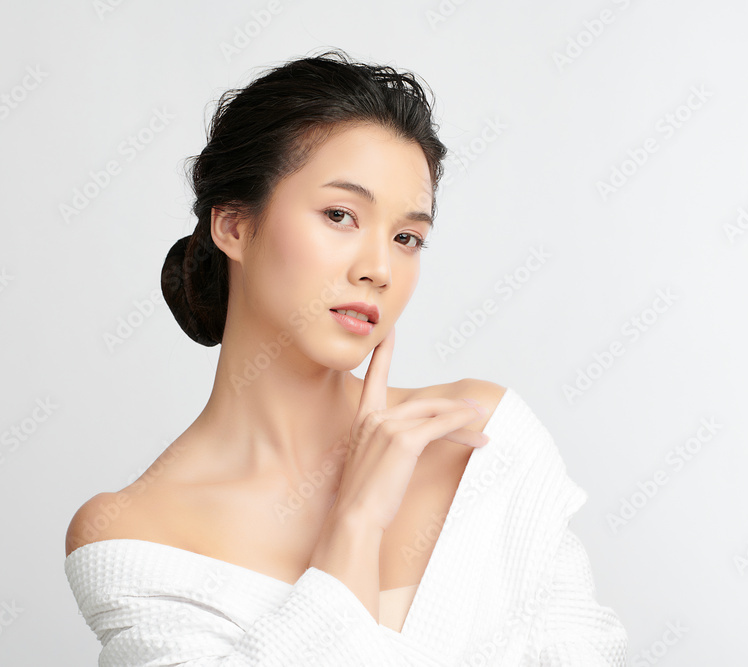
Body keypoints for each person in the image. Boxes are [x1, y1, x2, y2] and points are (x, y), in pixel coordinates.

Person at [63, 48, 628, 666]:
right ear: (234, 227)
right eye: (340, 215)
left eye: (407, 237)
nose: (379, 269)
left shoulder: (477, 439)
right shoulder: (134, 535)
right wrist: (357, 521)